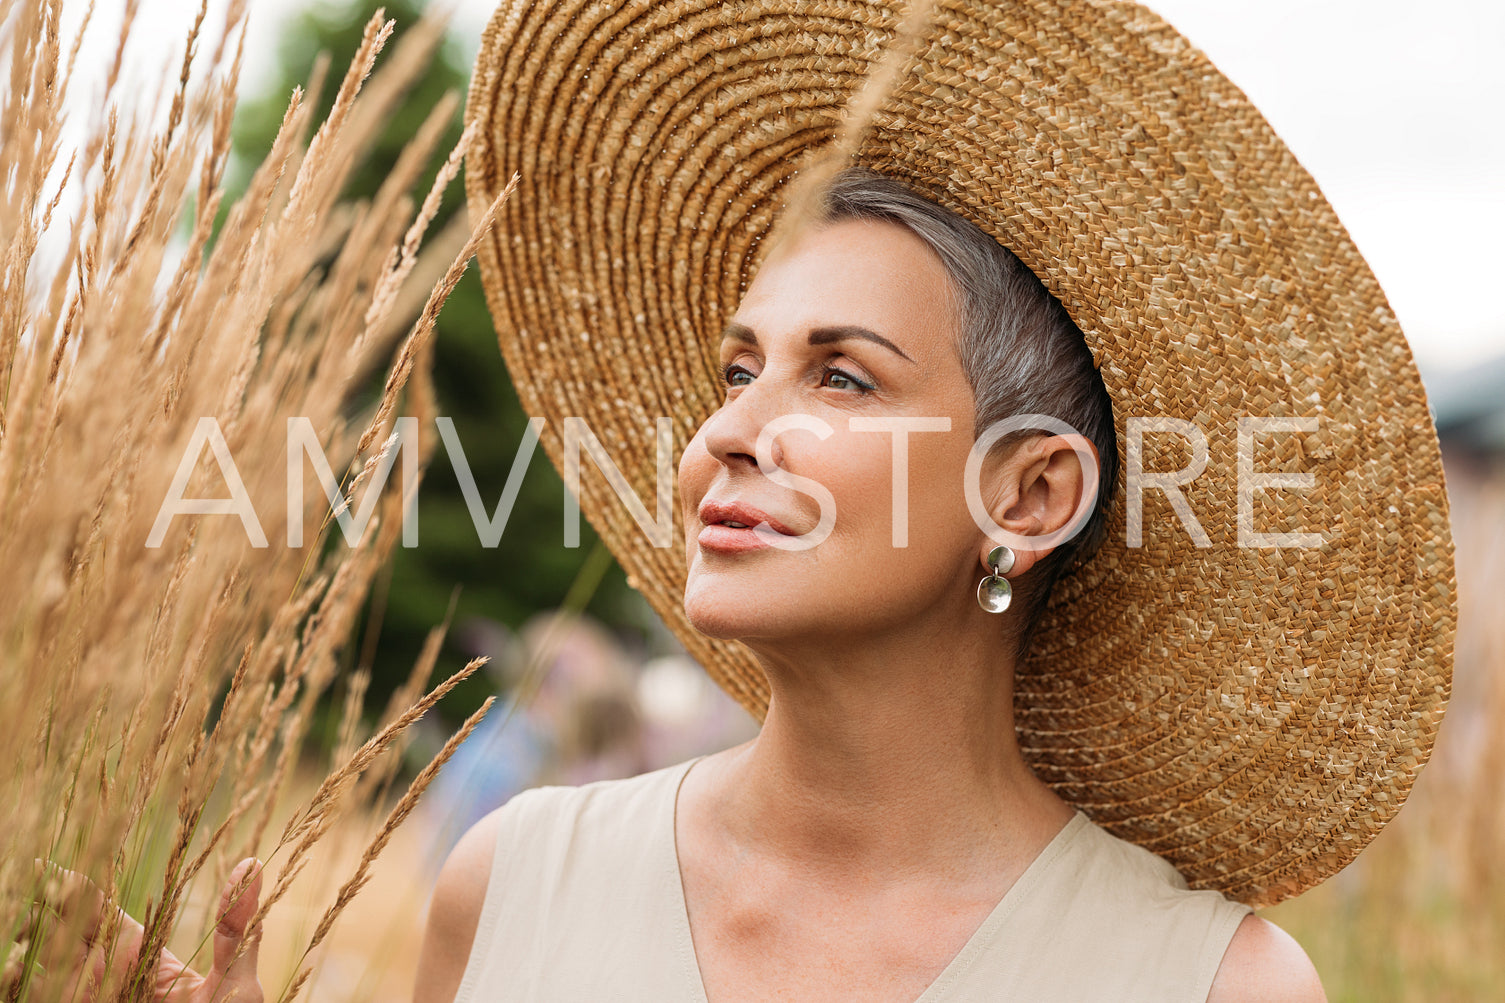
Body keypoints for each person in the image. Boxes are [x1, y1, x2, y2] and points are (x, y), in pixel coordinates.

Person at [36, 0, 1454, 1000]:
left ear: (1027, 491)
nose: (724, 433)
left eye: (841, 380)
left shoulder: (1207, 987)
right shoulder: (512, 880)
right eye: (735, 368)